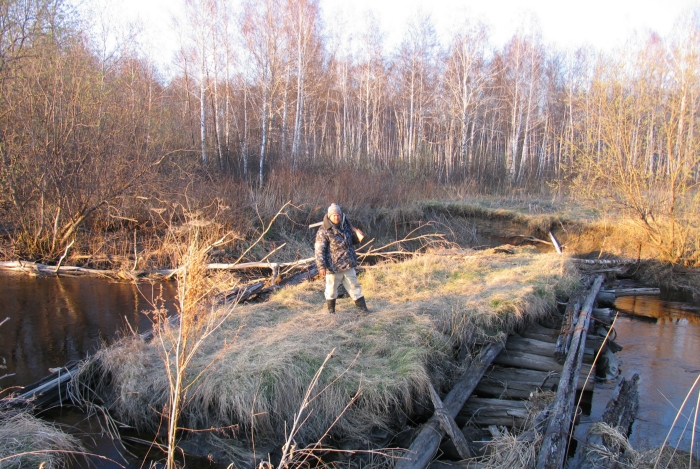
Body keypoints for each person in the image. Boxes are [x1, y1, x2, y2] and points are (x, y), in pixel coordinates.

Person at [315, 203, 368, 314]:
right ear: (329, 216)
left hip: (348, 264)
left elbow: (351, 241)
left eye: (338, 215)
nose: (336, 217)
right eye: (334, 215)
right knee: (331, 290)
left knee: (355, 287)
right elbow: (319, 250)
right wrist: (321, 266)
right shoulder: (323, 230)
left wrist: (358, 237)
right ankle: (331, 312)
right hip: (334, 267)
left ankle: (363, 311)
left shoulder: (346, 226)